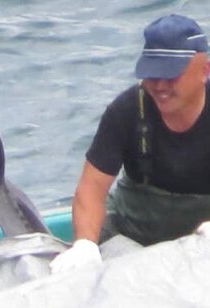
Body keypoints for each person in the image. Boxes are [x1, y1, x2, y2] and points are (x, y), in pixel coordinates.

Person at [51, 14, 210, 274]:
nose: (159, 86)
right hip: (132, 239)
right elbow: (91, 189)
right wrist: (85, 244)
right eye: (152, 74)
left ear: (205, 71)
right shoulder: (125, 111)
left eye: (171, 75)